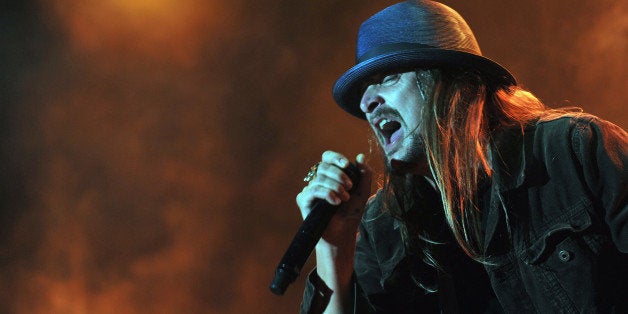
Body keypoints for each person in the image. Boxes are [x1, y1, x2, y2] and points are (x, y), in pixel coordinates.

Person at [295, 1, 627, 313]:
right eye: (364, 88)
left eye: (388, 78)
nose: (366, 103)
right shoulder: (380, 229)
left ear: (449, 83)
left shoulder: (573, 150)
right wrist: (333, 247)